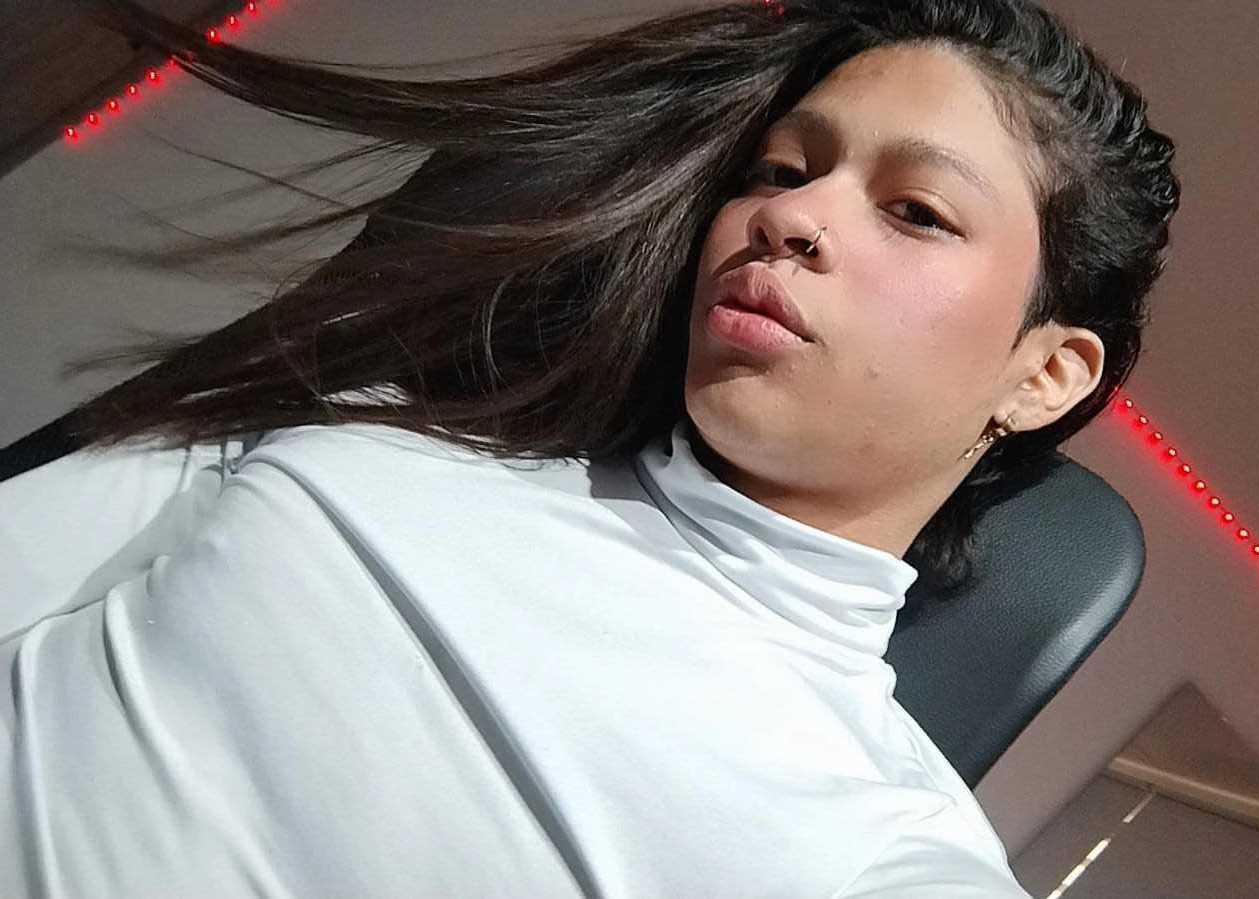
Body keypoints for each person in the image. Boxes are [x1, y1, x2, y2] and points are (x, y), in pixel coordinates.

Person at [0, 0, 1180, 894]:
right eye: (782, 169)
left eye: (916, 210)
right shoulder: (377, 423)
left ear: (1044, 374)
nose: (793, 214)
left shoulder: (873, 842)